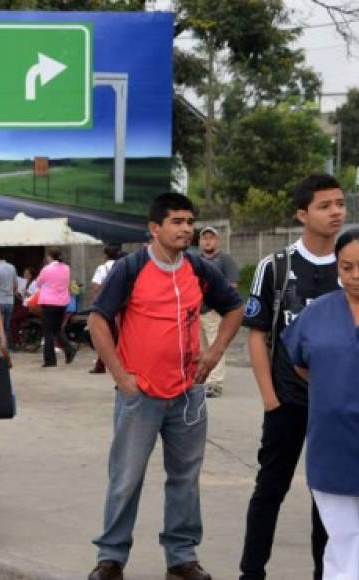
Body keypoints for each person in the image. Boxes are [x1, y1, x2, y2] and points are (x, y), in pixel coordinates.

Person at [86, 193, 244, 580]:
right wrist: (122, 377)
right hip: (140, 397)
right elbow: (97, 321)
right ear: (154, 228)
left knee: (185, 479)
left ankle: (181, 557)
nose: (186, 228)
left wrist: (214, 353)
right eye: (176, 221)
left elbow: (235, 308)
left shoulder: (198, 268)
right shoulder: (131, 267)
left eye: (189, 221)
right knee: (125, 478)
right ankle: (111, 558)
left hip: (188, 395)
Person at [239, 174, 345, 580]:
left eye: (340, 203)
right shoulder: (276, 266)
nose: (336, 211)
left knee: (328, 499)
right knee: (269, 491)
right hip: (286, 401)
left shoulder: (352, 264)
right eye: (325, 205)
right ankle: (252, 573)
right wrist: (269, 396)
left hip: (337, 407)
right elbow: (258, 334)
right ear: (303, 214)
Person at [282, 227, 359, 580]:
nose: (355, 276)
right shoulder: (319, 313)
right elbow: (299, 361)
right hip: (331, 446)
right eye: (346, 267)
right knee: (340, 540)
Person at [197, 226, 239, 398]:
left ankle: (215, 383)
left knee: (215, 346)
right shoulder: (195, 260)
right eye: (204, 238)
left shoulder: (224, 259)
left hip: (213, 311)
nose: (207, 240)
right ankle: (202, 380)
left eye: (211, 237)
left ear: (217, 240)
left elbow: (233, 284)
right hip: (195, 311)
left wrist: (219, 304)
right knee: (199, 349)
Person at [36, 248, 76, 367]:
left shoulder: (46, 269)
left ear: (49, 257)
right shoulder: (66, 268)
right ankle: (69, 349)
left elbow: (38, 283)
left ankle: (50, 360)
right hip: (62, 302)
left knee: (48, 332)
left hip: (48, 302)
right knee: (58, 329)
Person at [89, 243, 123, 374]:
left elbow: (96, 286)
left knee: (103, 336)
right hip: (122, 307)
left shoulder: (102, 268)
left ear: (105, 255)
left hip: (106, 307)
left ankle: (101, 365)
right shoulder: (124, 265)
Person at [0, 250, 18, 342]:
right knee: (7, 326)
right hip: (10, 301)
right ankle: (6, 346)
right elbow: (15, 286)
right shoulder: (12, 267)